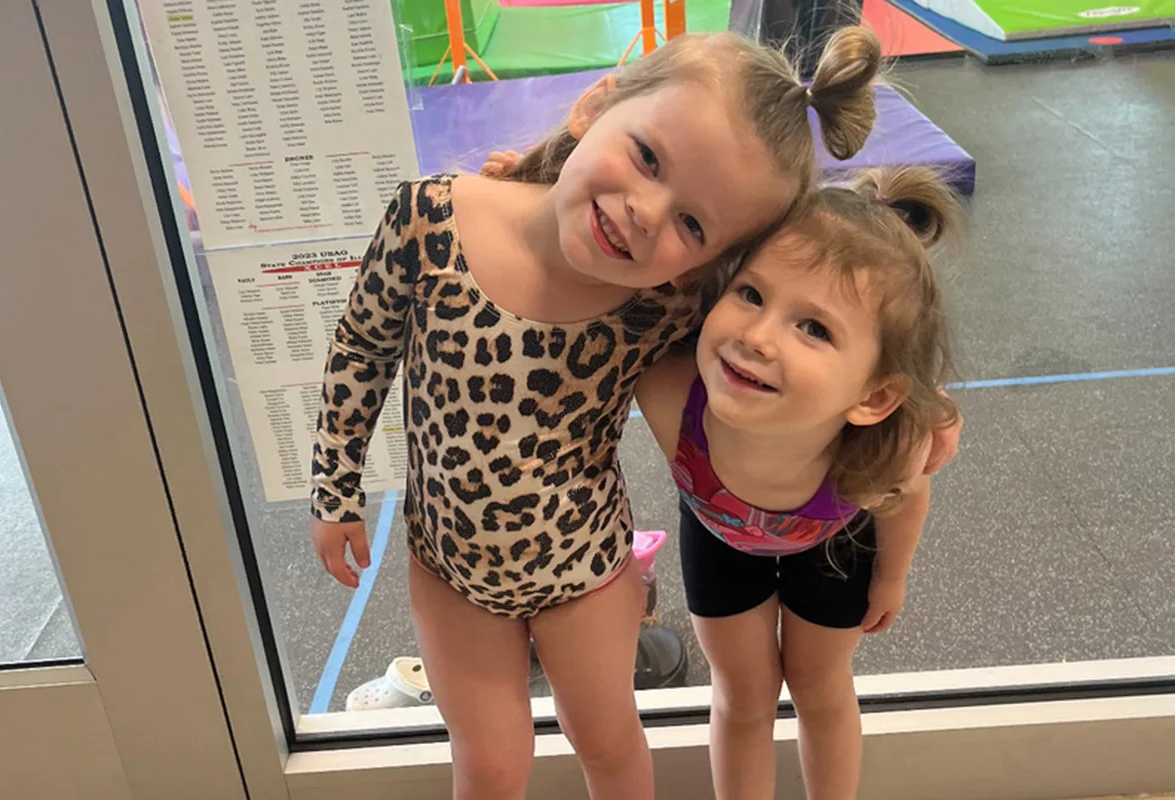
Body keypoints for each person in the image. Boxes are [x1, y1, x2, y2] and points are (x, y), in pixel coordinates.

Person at [310, 26, 886, 800]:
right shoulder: (431, 217)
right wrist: (334, 486)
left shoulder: (669, 301)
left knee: (610, 744)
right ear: (594, 105)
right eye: (647, 157)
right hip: (451, 571)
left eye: (692, 225)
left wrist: (902, 403)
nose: (647, 212)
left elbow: (779, 336)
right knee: (489, 761)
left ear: (705, 261)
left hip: (583, 569)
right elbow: (360, 349)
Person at [635, 165, 964, 800]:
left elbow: (907, 497)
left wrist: (892, 576)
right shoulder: (669, 393)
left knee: (821, 690)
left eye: (813, 328)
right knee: (742, 697)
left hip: (836, 545)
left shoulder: (881, 449)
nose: (755, 338)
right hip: (719, 540)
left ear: (873, 397)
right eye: (752, 294)